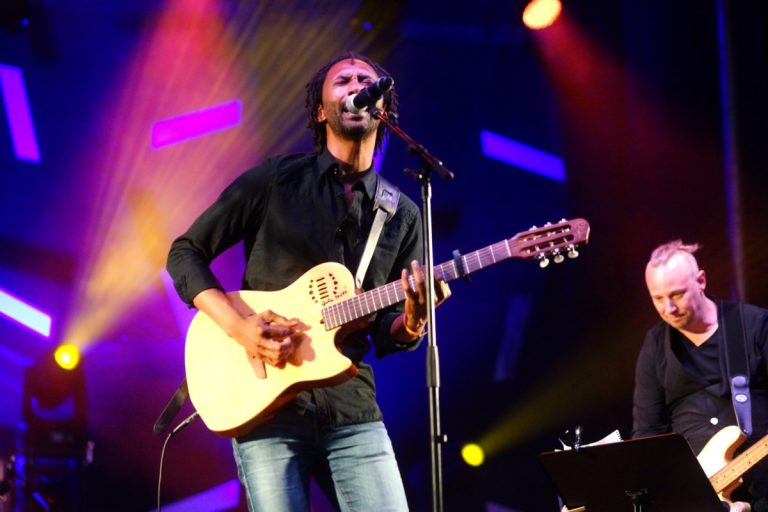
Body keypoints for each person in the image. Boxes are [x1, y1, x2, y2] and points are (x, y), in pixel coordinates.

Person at [166, 51, 450, 511]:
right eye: (342, 80)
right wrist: (241, 328)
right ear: (321, 110)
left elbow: (387, 331)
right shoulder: (275, 180)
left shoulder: (403, 214)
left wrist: (415, 322)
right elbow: (184, 252)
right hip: (266, 410)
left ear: (383, 108)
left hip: (352, 409)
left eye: (365, 79)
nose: (357, 84)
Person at [633, 240, 768, 512]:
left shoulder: (755, 325)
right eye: (657, 298)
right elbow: (646, 436)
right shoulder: (655, 345)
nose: (668, 308)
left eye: (677, 294)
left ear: (701, 281)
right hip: (695, 499)